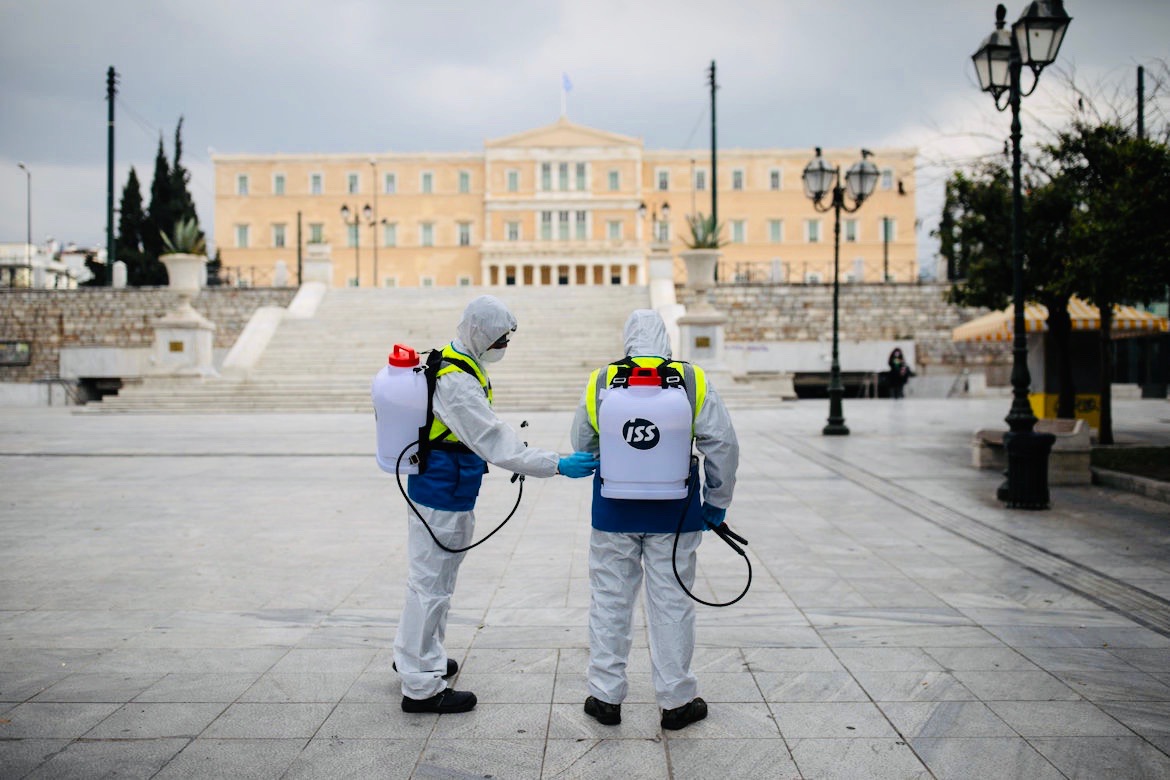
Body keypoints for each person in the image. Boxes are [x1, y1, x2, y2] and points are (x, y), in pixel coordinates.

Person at [394, 294, 598, 714]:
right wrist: (555, 463)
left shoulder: (459, 361)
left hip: (448, 487)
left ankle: (420, 658)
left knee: (433, 583)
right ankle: (419, 686)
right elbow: (492, 441)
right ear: (481, 334)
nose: (503, 347)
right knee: (430, 586)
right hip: (441, 492)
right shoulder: (456, 380)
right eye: (499, 340)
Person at [570, 309, 739, 731]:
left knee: (610, 601)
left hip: (613, 511)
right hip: (675, 513)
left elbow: (582, 442)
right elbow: (722, 443)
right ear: (665, 339)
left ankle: (605, 697)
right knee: (672, 603)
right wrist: (716, 501)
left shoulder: (602, 380)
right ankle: (677, 701)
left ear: (627, 338)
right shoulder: (692, 380)